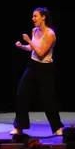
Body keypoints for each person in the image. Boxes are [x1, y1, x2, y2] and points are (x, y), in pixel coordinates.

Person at [12, 7, 65, 136]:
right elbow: (32, 49)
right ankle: (19, 126)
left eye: (35, 16)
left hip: (45, 68)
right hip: (32, 65)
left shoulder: (50, 34)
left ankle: (57, 127)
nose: (33, 19)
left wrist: (29, 40)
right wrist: (23, 46)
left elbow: (41, 53)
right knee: (21, 94)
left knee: (47, 98)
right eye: (33, 16)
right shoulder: (35, 30)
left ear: (43, 17)